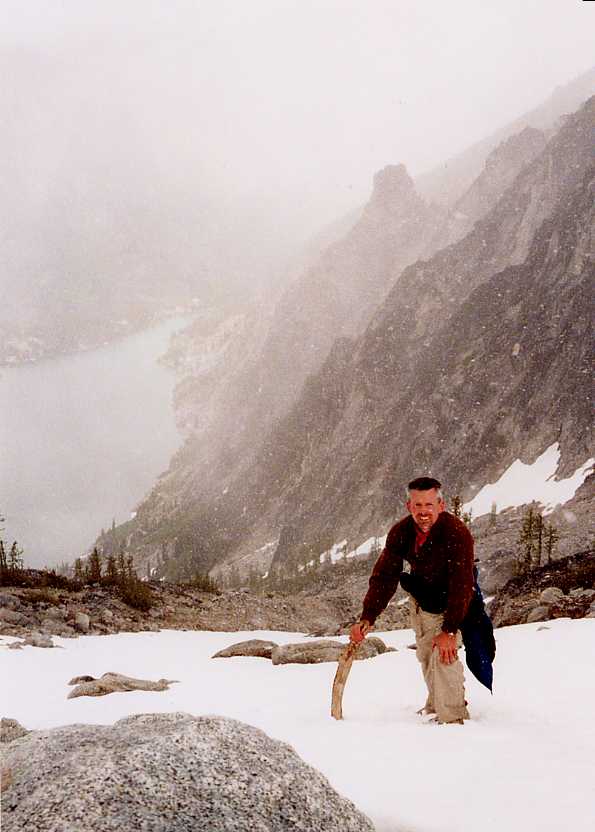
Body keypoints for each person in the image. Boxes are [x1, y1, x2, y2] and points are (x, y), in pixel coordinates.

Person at [350, 476, 475, 724]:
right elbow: (385, 576)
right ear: (409, 506)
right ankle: (436, 705)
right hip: (423, 601)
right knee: (427, 654)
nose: (423, 512)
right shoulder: (402, 532)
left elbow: (462, 583)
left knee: (444, 655)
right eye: (417, 505)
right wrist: (368, 616)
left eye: (429, 505)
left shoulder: (456, 533)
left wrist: (450, 629)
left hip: (455, 602)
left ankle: (453, 718)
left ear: (441, 505)